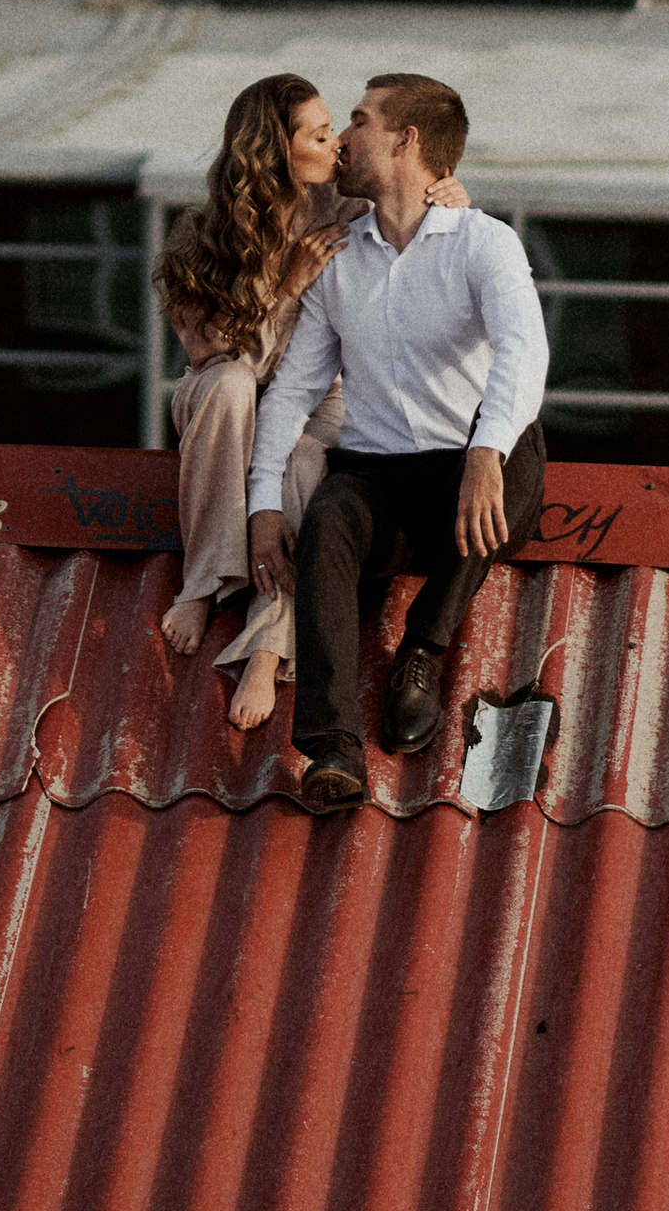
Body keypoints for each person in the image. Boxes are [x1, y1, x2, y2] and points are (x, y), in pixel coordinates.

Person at [247, 70, 548, 816]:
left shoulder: (485, 243)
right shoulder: (338, 256)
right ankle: (331, 750)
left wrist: (483, 451)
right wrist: (260, 504)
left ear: (408, 140)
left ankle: (424, 648)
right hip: (378, 476)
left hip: (466, 475)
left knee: (517, 455)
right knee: (326, 521)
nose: (343, 137)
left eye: (359, 120)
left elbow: (524, 350)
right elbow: (292, 389)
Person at [157, 75, 472, 734]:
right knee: (234, 390)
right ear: (276, 150)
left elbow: (417, 231)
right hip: (227, 402)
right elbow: (223, 358)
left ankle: (268, 643)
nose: (338, 144)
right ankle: (204, 581)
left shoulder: (344, 208)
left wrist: (448, 198)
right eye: (320, 134)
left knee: (305, 456)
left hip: (316, 400)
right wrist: (285, 289)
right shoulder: (199, 240)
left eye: (338, 129)